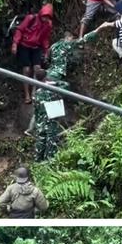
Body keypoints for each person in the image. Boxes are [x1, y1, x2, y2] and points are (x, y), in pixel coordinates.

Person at [27, 29, 102, 160]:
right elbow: (82, 40)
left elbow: (46, 58)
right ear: (68, 38)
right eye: (71, 39)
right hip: (55, 78)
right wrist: (99, 30)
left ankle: (32, 133)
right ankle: (50, 157)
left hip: (50, 77)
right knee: (52, 125)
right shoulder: (66, 44)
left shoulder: (53, 46)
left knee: (42, 111)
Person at [12, 3, 53, 104]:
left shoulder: (48, 25)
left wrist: (46, 51)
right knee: (26, 70)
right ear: (41, 14)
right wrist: (15, 44)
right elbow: (20, 30)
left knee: (37, 69)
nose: (45, 19)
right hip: (24, 45)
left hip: (36, 47)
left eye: (47, 17)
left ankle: (34, 92)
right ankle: (27, 94)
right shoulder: (31, 18)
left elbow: (45, 39)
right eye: (44, 16)